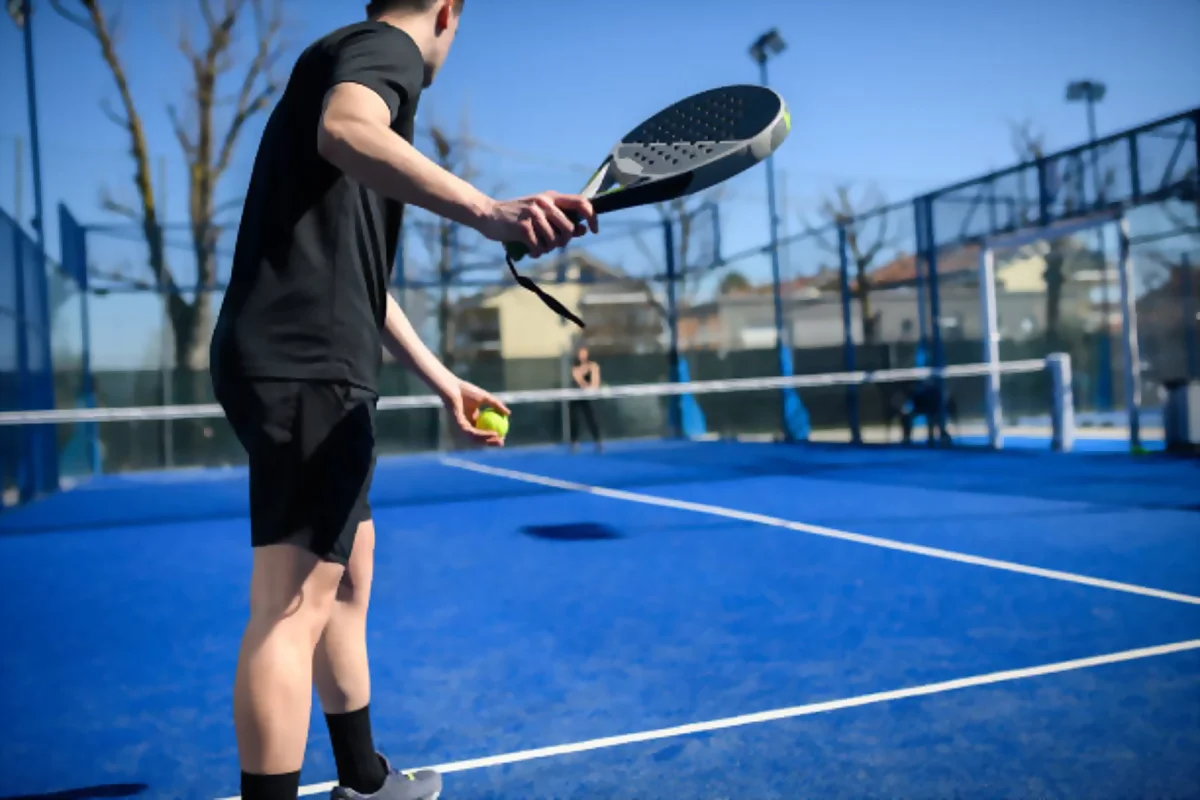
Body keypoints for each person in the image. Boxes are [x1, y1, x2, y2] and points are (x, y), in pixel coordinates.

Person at [208, 2, 597, 799]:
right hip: (307, 361)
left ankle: (364, 780)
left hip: (314, 357)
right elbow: (345, 128)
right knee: (290, 608)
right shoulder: (383, 54)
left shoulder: (346, 60)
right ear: (448, 11)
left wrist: (444, 379)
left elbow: (365, 281)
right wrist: (492, 212)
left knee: (348, 579)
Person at [569, 346, 602, 452]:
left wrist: (593, 387)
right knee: (574, 419)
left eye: (584, 352)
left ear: (587, 353)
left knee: (591, 417)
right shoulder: (575, 367)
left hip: (588, 397)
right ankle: (574, 442)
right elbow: (579, 380)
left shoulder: (593, 365)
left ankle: (598, 441)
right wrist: (585, 386)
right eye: (580, 353)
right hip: (575, 395)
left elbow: (596, 380)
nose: (582, 355)